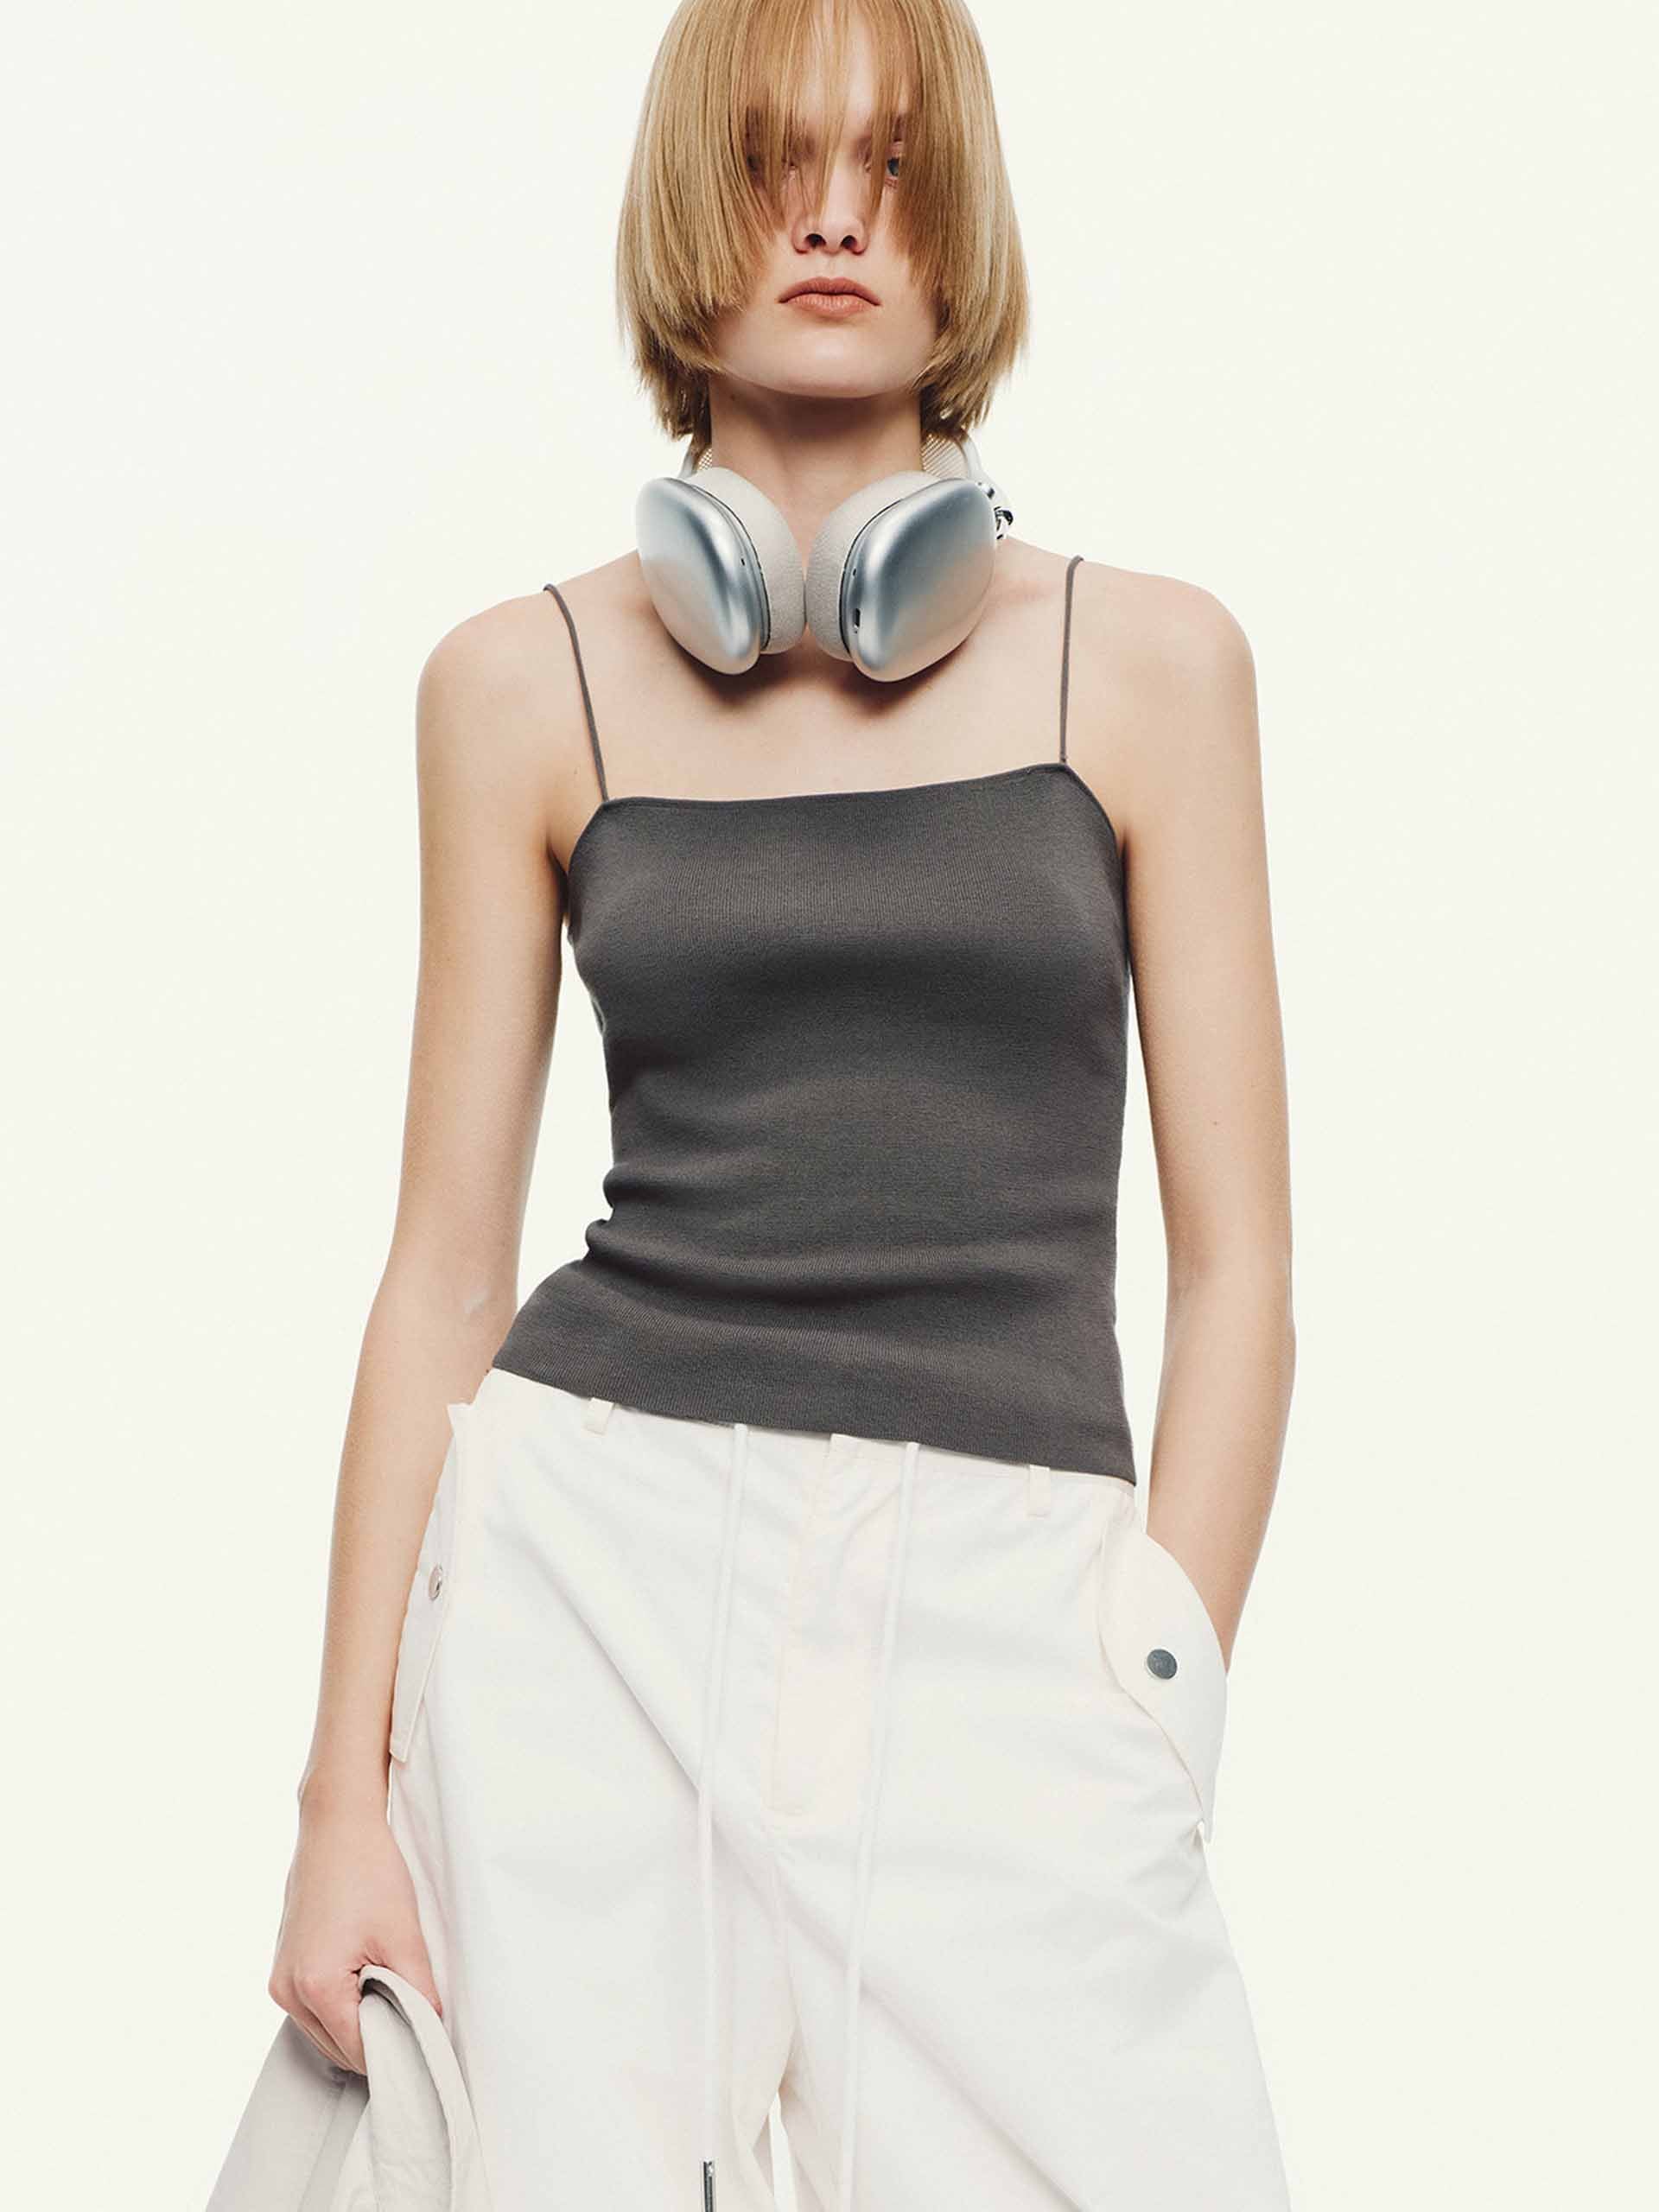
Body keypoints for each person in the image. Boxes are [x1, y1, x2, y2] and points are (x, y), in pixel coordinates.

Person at [266, 2, 1296, 2205]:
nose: (836, 216)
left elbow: (1242, 1270)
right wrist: (343, 1795)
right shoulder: (519, 682)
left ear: (963, 216)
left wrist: (1156, 1685)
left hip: (1011, 1596)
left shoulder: (1150, 666)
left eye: (894, 163)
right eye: (772, 161)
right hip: (592, 1575)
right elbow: (444, 1266)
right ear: (688, 205)